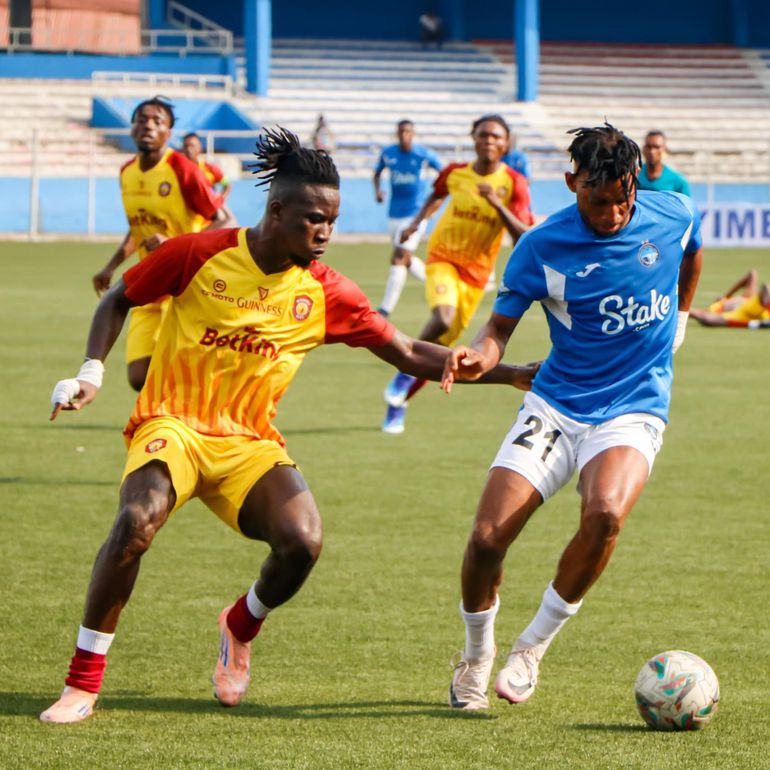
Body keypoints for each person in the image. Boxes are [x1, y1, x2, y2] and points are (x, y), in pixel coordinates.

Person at [40, 127, 538, 724]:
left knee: (303, 542)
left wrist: (510, 374)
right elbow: (117, 298)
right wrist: (90, 373)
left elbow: (408, 351)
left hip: (247, 441)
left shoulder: (326, 291)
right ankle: (82, 683)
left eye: (332, 221)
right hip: (173, 422)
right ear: (276, 211)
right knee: (137, 519)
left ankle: (240, 624)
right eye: (314, 220)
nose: (325, 233)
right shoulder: (199, 253)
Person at [440, 123, 704, 711]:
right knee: (486, 539)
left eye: (621, 200)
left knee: (605, 514)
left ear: (634, 184)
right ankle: (476, 655)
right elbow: (497, 330)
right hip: (556, 405)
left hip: (634, 405)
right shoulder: (541, 245)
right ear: (570, 183)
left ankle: (531, 648)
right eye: (596, 200)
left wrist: (682, 318)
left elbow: (693, 251)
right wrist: (479, 356)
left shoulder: (674, 212)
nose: (611, 214)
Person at [381, 114, 535, 434]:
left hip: (476, 276)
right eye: (483, 135)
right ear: (473, 138)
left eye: (495, 136)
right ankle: (404, 369)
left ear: (506, 144)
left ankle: (400, 404)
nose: (488, 141)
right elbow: (437, 194)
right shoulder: (455, 172)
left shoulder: (514, 184)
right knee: (443, 318)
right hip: (443, 258)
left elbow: (522, 235)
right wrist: (416, 223)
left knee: (444, 354)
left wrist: (496, 203)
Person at [93, 97, 234, 392]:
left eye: (158, 121)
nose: (148, 125)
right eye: (142, 119)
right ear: (132, 128)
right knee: (138, 376)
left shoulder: (182, 168)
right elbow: (138, 229)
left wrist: (172, 244)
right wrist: (110, 266)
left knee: (178, 370)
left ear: (168, 133)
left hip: (185, 285)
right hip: (150, 282)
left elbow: (224, 220)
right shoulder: (127, 172)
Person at [373, 119, 443, 317]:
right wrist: (378, 191)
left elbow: (444, 173)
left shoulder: (423, 155)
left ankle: (385, 310)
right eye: (401, 131)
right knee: (406, 258)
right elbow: (377, 173)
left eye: (408, 131)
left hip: (416, 214)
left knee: (398, 256)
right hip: (394, 213)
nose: (404, 135)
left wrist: (436, 199)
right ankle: (439, 285)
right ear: (397, 133)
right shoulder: (388, 153)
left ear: (413, 134)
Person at [689, 269, 770, 327]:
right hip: (735, 303)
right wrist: (726, 296)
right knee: (753, 275)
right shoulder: (752, 298)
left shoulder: (741, 315)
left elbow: (707, 319)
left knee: (699, 314)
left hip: (721, 310)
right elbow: (764, 286)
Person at [637, 130, 691, 196]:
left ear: (664, 149)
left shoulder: (678, 182)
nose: (652, 151)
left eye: (656, 147)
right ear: (643, 149)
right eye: (648, 146)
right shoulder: (634, 176)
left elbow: (686, 202)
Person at [181, 132, 232, 200]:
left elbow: (227, 184)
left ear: (199, 148)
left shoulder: (209, 168)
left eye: (192, 146)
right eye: (186, 146)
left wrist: (220, 200)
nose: (189, 149)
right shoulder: (178, 169)